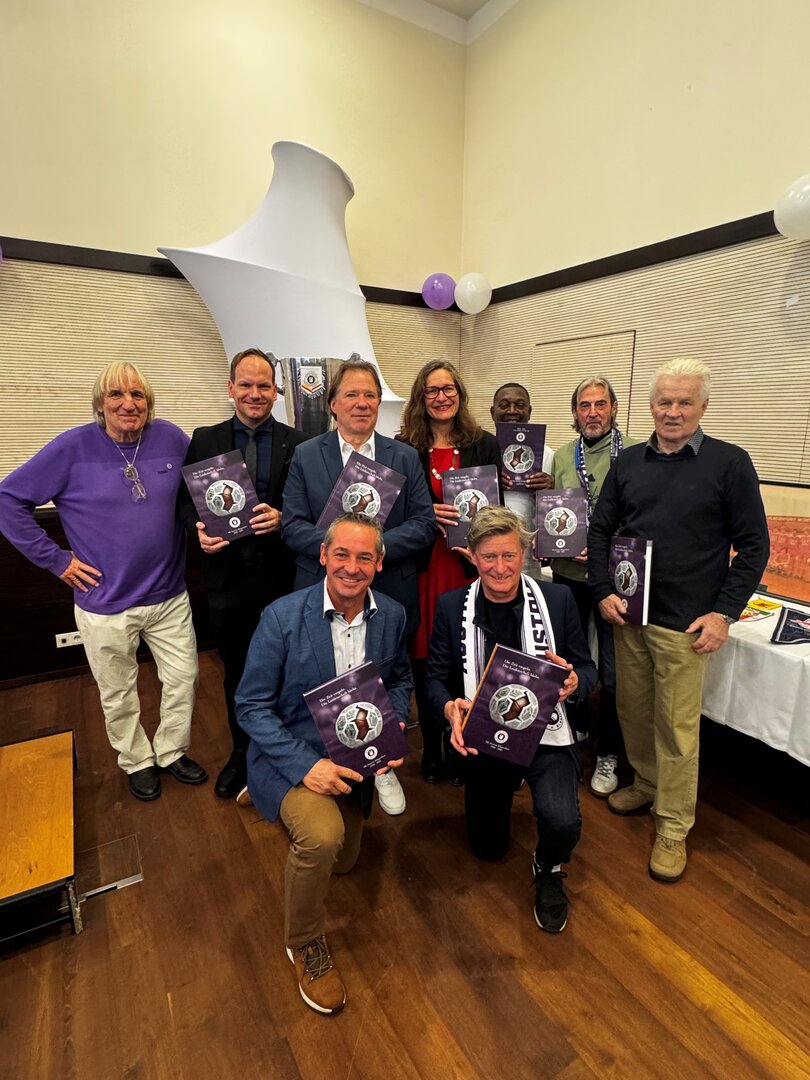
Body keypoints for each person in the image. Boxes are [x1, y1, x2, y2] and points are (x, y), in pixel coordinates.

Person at [588, 358, 769, 883]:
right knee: (634, 712)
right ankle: (646, 785)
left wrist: (724, 614)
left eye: (684, 402)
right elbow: (600, 531)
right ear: (650, 406)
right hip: (630, 615)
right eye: (664, 401)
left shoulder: (730, 463)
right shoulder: (628, 463)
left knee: (678, 730)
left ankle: (673, 824)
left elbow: (754, 546)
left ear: (703, 407)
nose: (673, 411)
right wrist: (602, 590)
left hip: (687, 627)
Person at [0, 362, 205, 801]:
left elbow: (204, 489)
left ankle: (170, 751)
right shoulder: (71, 447)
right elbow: (8, 500)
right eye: (116, 394)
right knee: (118, 690)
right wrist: (54, 560)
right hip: (104, 602)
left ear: (149, 404)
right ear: (100, 402)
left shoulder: (170, 437)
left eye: (138, 395)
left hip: (169, 594)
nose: (128, 403)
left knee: (184, 677)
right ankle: (136, 760)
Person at [235, 514, 412, 1015]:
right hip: (295, 749)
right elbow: (250, 706)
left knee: (348, 861)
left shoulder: (393, 614)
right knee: (322, 839)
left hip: (353, 755)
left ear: (379, 563)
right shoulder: (281, 617)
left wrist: (390, 725)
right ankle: (305, 943)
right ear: (323, 556)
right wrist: (303, 767)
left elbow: (398, 678)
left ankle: (274, 800)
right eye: (342, 555)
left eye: (363, 557)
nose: (351, 568)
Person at [425, 507, 597, 933]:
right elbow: (433, 680)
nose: (499, 568)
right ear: (472, 556)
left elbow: (589, 670)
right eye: (488, 557)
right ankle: (502, 785)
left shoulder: (557, 601)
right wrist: (448, 708)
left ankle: (549, 866)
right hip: (484, 738)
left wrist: (575, 681)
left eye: (509, 555)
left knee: (562, 821)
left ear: (525, 554)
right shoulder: (450, 606)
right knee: (487, 848)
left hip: (546, 733)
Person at [282, 359, 435, 816]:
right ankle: (323, 760)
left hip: (388, 590)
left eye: (370, 395)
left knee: (381, 674)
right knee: (328, 673)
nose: (362, 403)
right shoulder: (308, 455)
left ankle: (382, 766)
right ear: (332, 404)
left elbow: (425, 523)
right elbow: (291, 525)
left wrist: (371, 547)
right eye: (351, 394)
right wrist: (342, 551)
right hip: (324, 588)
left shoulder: (403, 455)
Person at [177, 347, 309, 799]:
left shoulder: (300, 441)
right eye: (246, 385)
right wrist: (198, 530)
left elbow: (310, 505)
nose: (255, 394)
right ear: (231, 388)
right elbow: (183, 504)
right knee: (237, 672)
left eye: (264, 386)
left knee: (286, 671)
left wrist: (284, 515)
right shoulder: (205, 439)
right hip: (227, 581)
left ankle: (284, 752)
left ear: (276, 390)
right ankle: (242, 753)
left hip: (283, 580)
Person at [399, 359, 502, 784]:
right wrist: (426, 512)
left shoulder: (485, 445)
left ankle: (465, 740)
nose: (441, 397)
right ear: (421, 399)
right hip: (424, 566)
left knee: (469, 653)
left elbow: (498, 508)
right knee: (426, 658)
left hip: (468, 566)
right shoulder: (403, 447)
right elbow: (394, 509)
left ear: (460, 394)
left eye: (449, 389)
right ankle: (435, 745)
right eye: (432, 391)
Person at [551, 376, 639, 796]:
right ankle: (575, 726)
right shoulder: (564, 457)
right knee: (569, 660)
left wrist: (605, 549)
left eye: (600, 404)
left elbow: (642, 520)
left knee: (615, 673)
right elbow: (552, 512)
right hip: (569, 577)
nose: (592, 412)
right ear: (574, 413)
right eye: (584, 405)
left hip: (615, 582)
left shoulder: (638, 455)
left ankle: (609, 753)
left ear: (615, 408)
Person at [490, 382, 554, 582]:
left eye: (519, 405)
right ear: (493, 412)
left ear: (529, 411)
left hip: (528, 556)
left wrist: (551, 489)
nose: (512, 411)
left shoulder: (548, 454)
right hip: (487, 552)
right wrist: (489, 484)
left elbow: (558, 507)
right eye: (504, 405)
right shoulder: (481, 451)